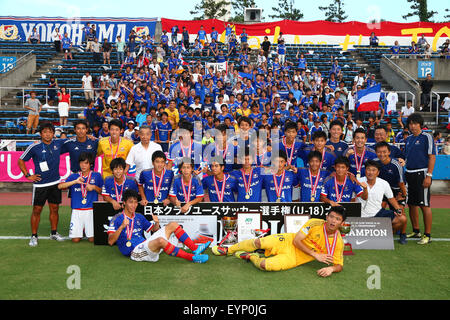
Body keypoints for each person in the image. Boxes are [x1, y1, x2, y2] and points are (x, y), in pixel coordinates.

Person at [212, 206, 347, 277]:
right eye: (332, 217)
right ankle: (227, 250)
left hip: (294, 258)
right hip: (288, 241)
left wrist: (331, 268)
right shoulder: (314, 223)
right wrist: (315, 254)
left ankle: (250, 256)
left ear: (342, 223)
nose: (333, 221)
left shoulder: (338, 242)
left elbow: (339, 265)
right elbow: (296, 240)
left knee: (265, 265)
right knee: (260, 243)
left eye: (337, 219)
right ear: (326, 217)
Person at [107, 189, 210, 263]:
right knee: (160, 240)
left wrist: (156, 223)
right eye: (130, 202)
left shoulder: (139, 216)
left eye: (135, 202)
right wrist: (121, 227)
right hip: (135, 252)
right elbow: (110, 242)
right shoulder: (117, 219)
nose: (134, 205)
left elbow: (154, 231)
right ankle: (192, 258)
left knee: (173, 224)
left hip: (146, 245)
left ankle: (195, 248)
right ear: (124, 203)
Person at [17, 122, 66, 247]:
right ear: (41, 133)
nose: (47, 134)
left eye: (50, 131)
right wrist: (28, 175)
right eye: (45, 132)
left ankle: (54, 233)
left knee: (54, 209)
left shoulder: (58, 143)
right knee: (37, 210)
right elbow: (21, 160)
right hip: (40, 185)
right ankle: (34, 236)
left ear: (53, 133)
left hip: (55, 183)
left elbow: (75, 140)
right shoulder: (34, 147)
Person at [356, 160, 408, 244]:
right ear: (365, 171)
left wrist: (398, 209)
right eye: (368, 169)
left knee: (402, 218)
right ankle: (375, 233)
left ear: (378, 172)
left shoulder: (384, 183)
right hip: (360, 215)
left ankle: (386, 234)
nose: (370, 172)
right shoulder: (358, 181)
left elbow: (391, 198)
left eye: (373, 170)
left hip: (377, 213)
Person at [404, 114, 436, 244]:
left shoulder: (427, 137)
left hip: (421, 174)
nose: (413, 126)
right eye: (411, 123)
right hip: (409, 173)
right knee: (411, 204)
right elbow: (407, 157)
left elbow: (432, 157)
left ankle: (427, 235)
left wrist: (429, 175)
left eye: (415, 123)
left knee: (424, 205)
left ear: (420, 124)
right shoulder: (409, 138)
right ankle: (416, 230)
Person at [58, 152, 103, 243]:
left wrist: (94, 187)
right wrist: (74, 182)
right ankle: (80, 230)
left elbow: (103, 192)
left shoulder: (97, 176)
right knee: (75, 240)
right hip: (76, 210)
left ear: (90, 164)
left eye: (86, 163)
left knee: (92, 239)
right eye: (81, 163)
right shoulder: (74, 176)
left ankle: (86, 229)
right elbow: (60, 186)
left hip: (91, 210)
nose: (83, 165)